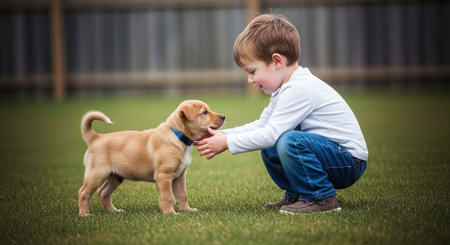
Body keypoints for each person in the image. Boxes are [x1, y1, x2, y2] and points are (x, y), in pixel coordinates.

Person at [195, 14, 368, 214]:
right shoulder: (284, 89)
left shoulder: (299, 89)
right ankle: (298, 194)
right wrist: (225, 135)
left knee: (288, 140)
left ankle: (321, 197)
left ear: (277, 61)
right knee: (271, 147)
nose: (250, 80)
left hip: (348, 161)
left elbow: (270, 134)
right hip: (330, 155)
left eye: (252, 71)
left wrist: (228, 144)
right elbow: (263, 125)